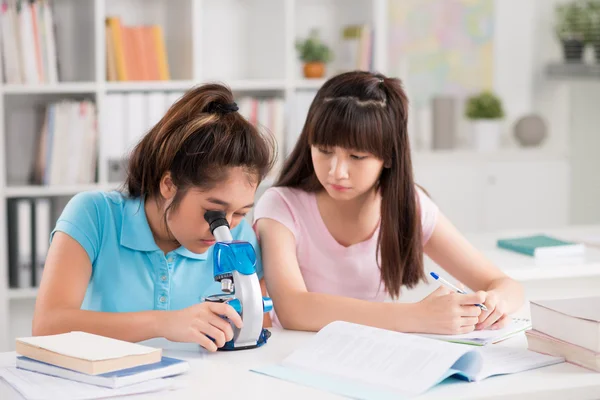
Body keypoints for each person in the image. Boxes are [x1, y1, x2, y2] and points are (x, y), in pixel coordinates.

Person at [253, 71, 524, 334]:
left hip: (372, 356)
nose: (337, 171)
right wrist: (418, 316)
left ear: (389, 157)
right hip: (294, 356)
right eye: (324, 151)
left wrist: (495, 304)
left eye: (357, 156)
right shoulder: (281, 206)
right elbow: (293, 309)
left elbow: (506, 285)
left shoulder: (409, 206)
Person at [33, 84, 275, 352]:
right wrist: (164, 323)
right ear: (169, 185)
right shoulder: (95, 216)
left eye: (241, 212)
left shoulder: (239, 237)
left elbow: (258, 334)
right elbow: (47, 326)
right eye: (214, 212)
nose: (226, 228)